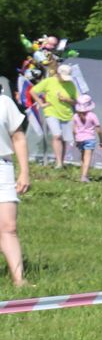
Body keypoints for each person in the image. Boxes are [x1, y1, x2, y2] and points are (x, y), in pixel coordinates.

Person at [0, 81, 27, 285]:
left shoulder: (5, 103)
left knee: (9, 226)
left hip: (3, 168)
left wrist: (24, 172)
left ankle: (19, 280)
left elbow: (18, 137)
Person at [68, 93, 100, 183]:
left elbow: (74, 130)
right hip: (89, 139)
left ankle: (83, 174)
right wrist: (101, 140)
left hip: (79, 139)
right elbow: (99, 129)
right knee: (87, 157)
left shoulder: (75, 116)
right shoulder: (92, 116)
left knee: (83, 157)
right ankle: (84, 176)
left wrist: (75, 140)